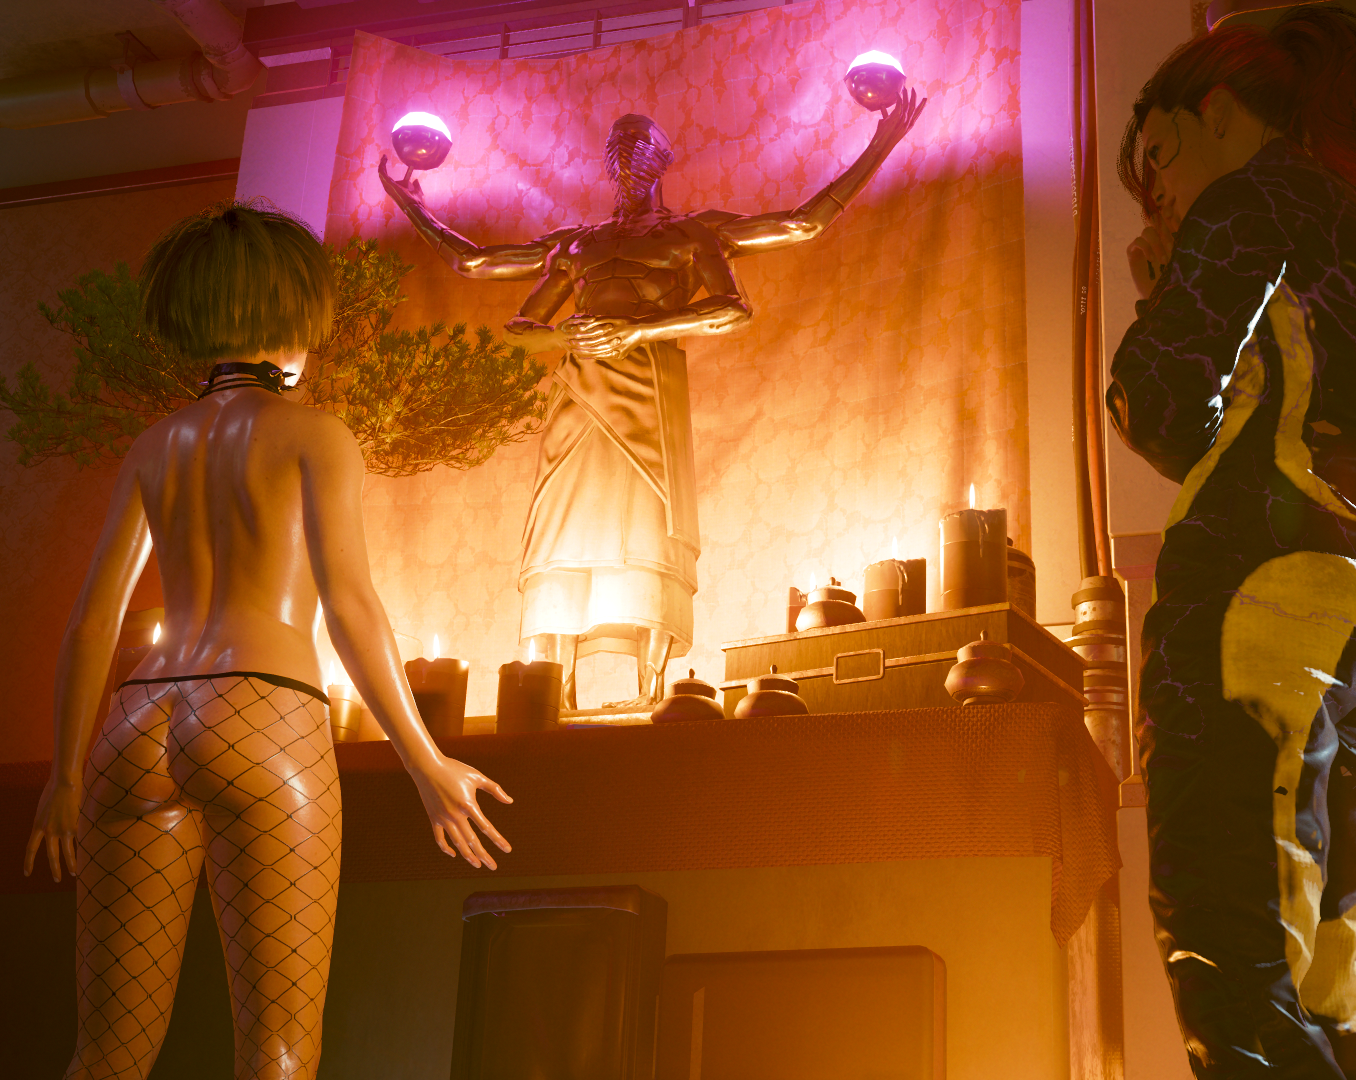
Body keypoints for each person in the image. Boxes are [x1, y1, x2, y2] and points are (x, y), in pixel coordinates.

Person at [23, 203, 513, 1080]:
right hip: (263, 713)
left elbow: (93, 621)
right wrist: (424, 761)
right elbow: (350, 605)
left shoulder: (155, 445)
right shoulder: (317, 436)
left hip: (133, 727)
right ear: (293, 314)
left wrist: (64, 777)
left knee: (105, 1053)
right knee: (278, 1052)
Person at [1109, 8, 1356, 1078]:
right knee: (1319, 992)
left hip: (1253, 597)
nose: (1156, 196)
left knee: (1231, 965)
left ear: (1216, 111)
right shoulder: (1355, 229)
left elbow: (1159, 406)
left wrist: (1161, 296)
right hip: (1351, 599)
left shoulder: (1248, 202)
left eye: (1158, 158)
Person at [378, 95, 924, 708]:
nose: (627, 157)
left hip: (648, 387)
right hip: (578, 393)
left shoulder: (692, 233)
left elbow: (784, 245)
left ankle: (651, 690)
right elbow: (478, 266)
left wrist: (881, 143)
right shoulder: (578, 244)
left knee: (647, 524)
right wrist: (413, 204)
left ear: (662, 159)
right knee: (564, 528)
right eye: (618, 147)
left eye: (639, 146)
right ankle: (559, 695)